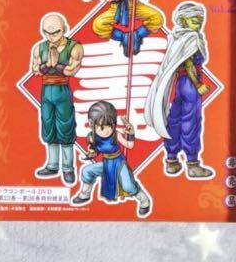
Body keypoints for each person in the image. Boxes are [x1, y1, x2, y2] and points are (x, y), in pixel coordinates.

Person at [144, 2, 213, 178]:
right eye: (194, 21)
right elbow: (189, 63)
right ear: (183, 20)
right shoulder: (191, 37)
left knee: (174, 120)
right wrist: (198, 84)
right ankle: (192, 164)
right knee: (190, 121)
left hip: (177, 84)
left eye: (200, 21)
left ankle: (172, 160)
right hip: (189, 83)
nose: (199, 24)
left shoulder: (176, 37)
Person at [70, 101, 151, 217]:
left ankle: (144, 201)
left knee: (128, 186)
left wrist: (131, 133)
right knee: (87, 171)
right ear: (91, 123)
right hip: (107, 164)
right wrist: (91, 153)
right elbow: (95, 152)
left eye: (110, 125)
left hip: (119, 163)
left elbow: (129, 145)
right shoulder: (92, 137)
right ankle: (85, 194)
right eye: (102, 127)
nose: (107, 130)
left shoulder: (116, 134)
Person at [31, 13, 83, 185]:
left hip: (62, 90)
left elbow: (71, 70)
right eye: (46, 33)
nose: (51, 36)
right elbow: (35, 70)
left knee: (66, 127)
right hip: (46, 90)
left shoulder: (74, 47)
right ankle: (52, 165)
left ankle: (68, 168)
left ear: (64, 29)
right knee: (48, 126)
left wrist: (57, 65)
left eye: (55, 32)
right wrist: (47, 65)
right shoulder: (40, 48)